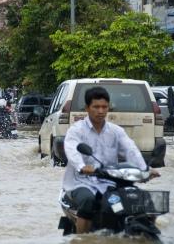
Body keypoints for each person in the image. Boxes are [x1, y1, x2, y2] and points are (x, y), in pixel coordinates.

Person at [62, 86, 160, 234]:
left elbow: (130, 149)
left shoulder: (116, 131)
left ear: (108, 108)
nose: (101, 111)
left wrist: (144, 169)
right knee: (88, 201)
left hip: (110, 181)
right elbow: (72, 151)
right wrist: (83, 166)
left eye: (104, 107)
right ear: (87, 108)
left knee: (144, 200)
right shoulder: (76, 130)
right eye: (96, 107)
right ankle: (82, 239)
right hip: (81, 182)